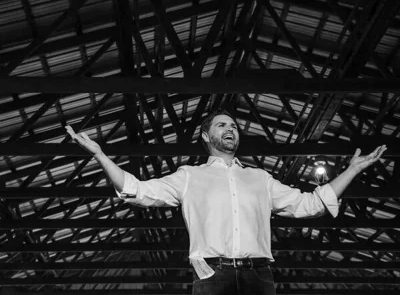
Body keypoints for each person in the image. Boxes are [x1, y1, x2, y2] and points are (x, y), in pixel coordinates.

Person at [66, 108, 387, 295]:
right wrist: (100, 155)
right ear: (206, 136)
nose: (230, 128)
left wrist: (353, 169)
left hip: (259, 276)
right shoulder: (189, 176)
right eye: (222, 125)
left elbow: (311, 204)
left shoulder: (260, 178)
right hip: (212, 277)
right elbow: (136, 190)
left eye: (233, 125)